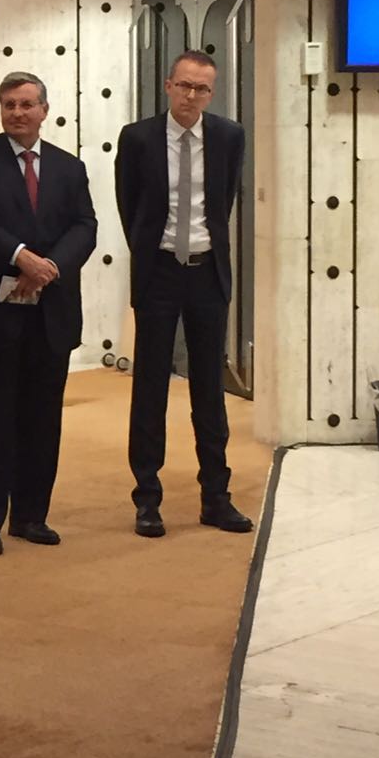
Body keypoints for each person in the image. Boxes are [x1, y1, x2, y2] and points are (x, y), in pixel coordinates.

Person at [0, 72, 96, 555]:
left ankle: (31, 515)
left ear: (44, 111)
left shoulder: (70, 168)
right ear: (0, 109)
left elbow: (85, 226)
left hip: (50, 312)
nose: (18, 112)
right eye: (9, 104)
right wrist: (20, 256)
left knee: (41, 418)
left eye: (27, 104)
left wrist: (49, 267)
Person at [115, 49, 252, 538]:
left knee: (209, 388)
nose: (191, 96)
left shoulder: (230, 136)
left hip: (207, 273)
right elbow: (129, 207)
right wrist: (153, 254)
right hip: (159, 273)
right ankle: (147, 499)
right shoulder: (138, 138)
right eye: (184, 85)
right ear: (168, 86)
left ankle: (216, 497)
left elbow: (224, 201)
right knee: (150, 386)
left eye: (201, 89)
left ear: (211, 93)